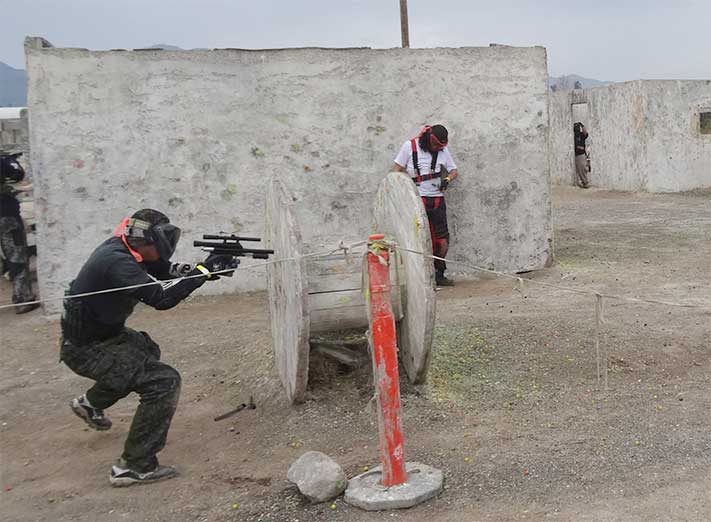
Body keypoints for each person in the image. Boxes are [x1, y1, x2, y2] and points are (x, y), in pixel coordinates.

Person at [60, 209, 237, 487]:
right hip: (86, 348)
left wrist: (204, 270)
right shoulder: (117, 261)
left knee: (146, 351)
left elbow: (161, 269)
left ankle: (91, 403)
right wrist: (203, 272)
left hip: (105, 335)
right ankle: (134, 466)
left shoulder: (125, 248)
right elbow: (161, 298)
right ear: (148, 240)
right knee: (164, 382)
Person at [393, 124, 459, 286]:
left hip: (436, 199)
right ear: (428, 137)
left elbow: (454, 171)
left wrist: (447, 179)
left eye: (439, 146)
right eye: (435, 144)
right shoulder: (409, 147)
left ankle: (439, 274)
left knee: (442, 240)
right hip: (415, 199)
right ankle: (418, 276)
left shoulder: (443, 151)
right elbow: (395, 171)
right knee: (417, 238)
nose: (436, 148)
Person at [0, 152, 39, 314]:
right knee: (17, 257)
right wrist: (10, 160)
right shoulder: (3, 162)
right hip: (5, 216)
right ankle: (22, 299)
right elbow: (17, 174)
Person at [574, 122, 590, 188]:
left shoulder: (581, 135)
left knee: (583, 168)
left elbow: (585, 133)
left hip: (581, 154)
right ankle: (581, 182)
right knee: (578, 170)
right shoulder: (573, 136)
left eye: (578, 127)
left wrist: (582, 125)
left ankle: (585, 183)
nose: (577, 129)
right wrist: (579, 147)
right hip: (576, 154)